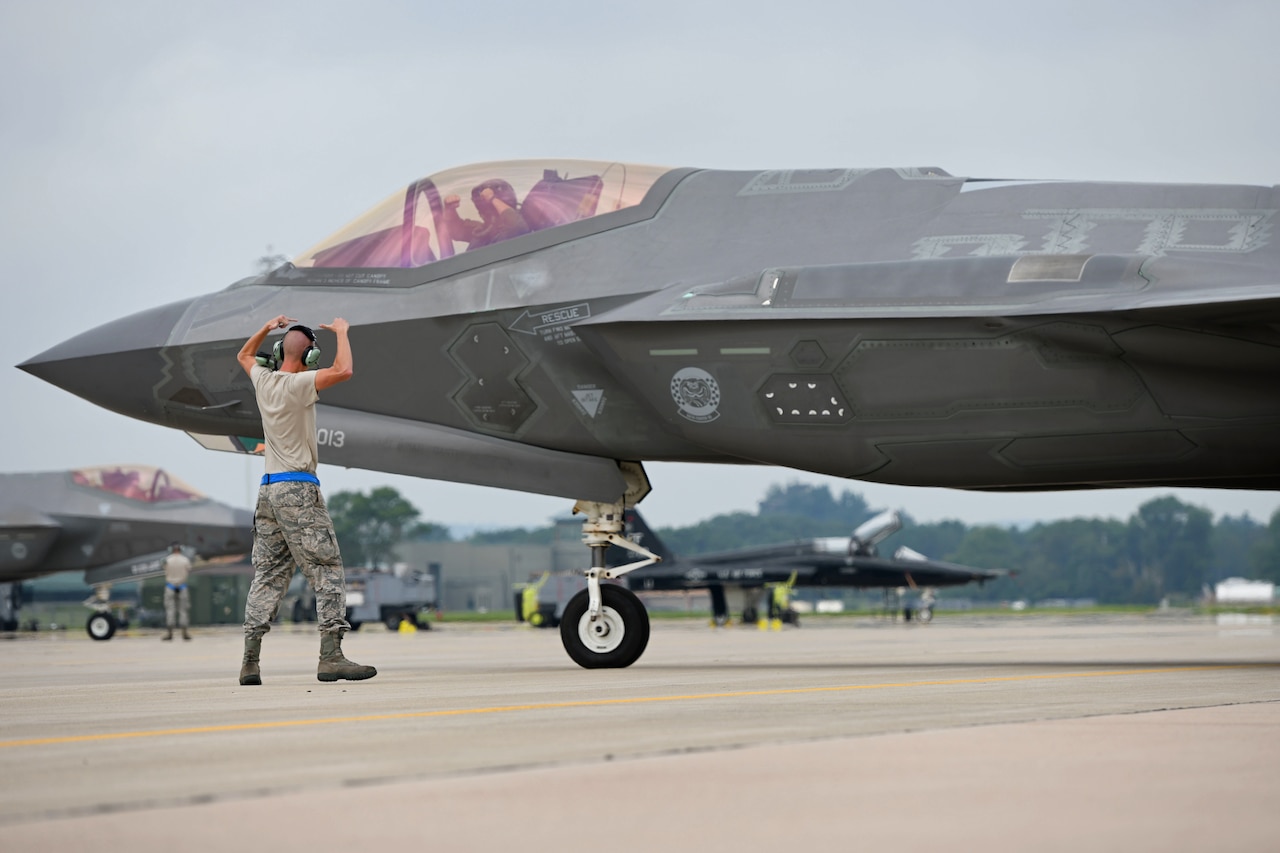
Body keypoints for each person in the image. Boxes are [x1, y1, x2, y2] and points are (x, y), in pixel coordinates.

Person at [234, 315, 376, 686]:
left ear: (279, 351)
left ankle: (250, 662)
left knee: (267, 575)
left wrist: (267, 326)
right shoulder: (301, 384)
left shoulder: (263, 380)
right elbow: (344, 370)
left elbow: (244, 355)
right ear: (310, 355)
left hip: (268, 491)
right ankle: (331, 656)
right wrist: (343, 332)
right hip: (298, 488)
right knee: (326, 569)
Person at [442, 178, 530, 251]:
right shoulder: (482, 231)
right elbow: (456, 231)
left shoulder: (521, 226)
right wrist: (450, 209)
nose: (482, 214)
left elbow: (517, 225)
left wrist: (492, 199)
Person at [161, 542, 192, 641]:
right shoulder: (185, 560)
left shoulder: (167, 560)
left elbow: (164, 569)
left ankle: (170, 633)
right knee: (183, 610)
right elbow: (188, 569)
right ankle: (184, 633)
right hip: (182, 586)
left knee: (170, 609)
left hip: (170, 586)